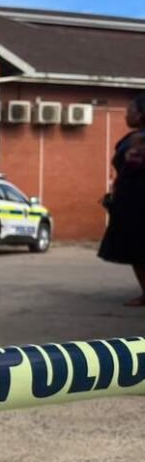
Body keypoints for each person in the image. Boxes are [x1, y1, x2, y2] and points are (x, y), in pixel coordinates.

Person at [98, 93, 145, 305]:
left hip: (139, 202)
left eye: (130, 111)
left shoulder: (139, 142)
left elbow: (132, 168)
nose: (126, 115)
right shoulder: (133, 138)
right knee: (135, 250)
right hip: (130, 199)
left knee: (138, 249)